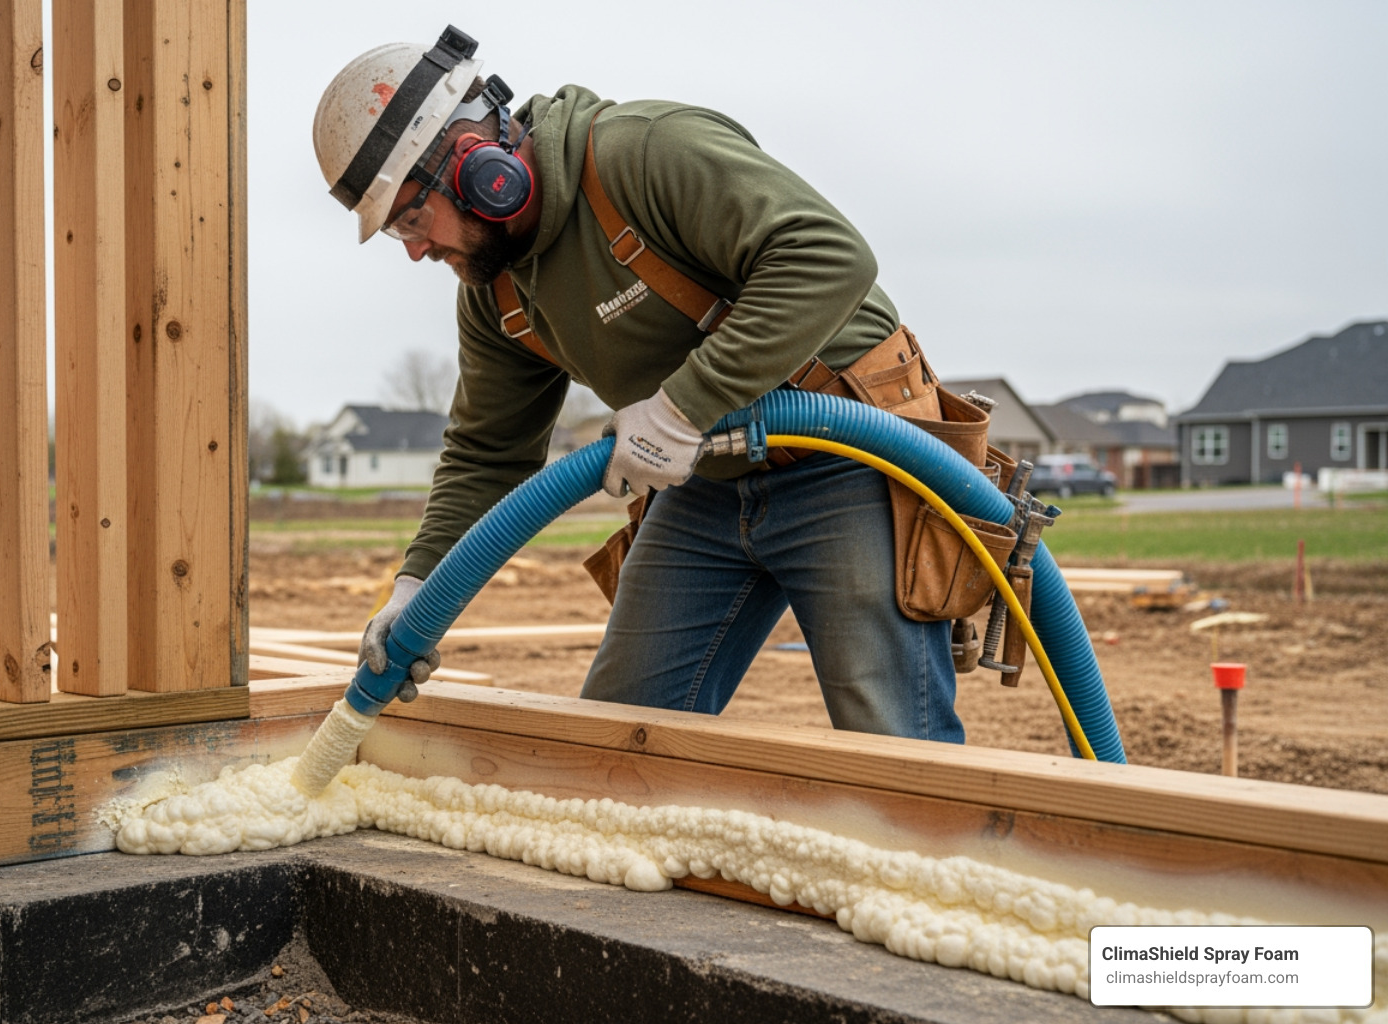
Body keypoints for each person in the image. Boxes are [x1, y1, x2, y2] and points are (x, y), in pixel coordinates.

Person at [312, 26, 964, 742]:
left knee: (893, 738)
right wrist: (419, 589)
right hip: (706, 478)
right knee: (619, 738)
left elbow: (829, 257)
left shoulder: (643, 152)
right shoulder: (493, 289)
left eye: (411, 216)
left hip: (844, 454)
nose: (413, 251)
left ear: (479, 168)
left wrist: (683, 409)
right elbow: (488, 456)